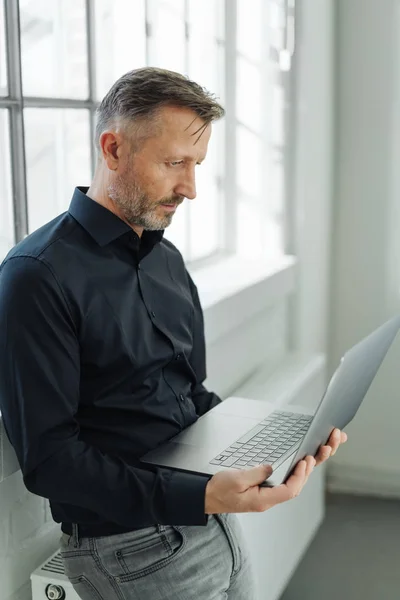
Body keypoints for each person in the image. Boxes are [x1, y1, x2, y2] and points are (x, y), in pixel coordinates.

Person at [0, 67, 347, 600]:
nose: (190, 187)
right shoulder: (35, 275)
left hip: (214, 523)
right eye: (174, 163)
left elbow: (190, 396)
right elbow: (50, 464)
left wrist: (285, 440)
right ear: (113, 149)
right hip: (128, 551)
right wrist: (202, 496)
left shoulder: (167, 259)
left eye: (197, 165)